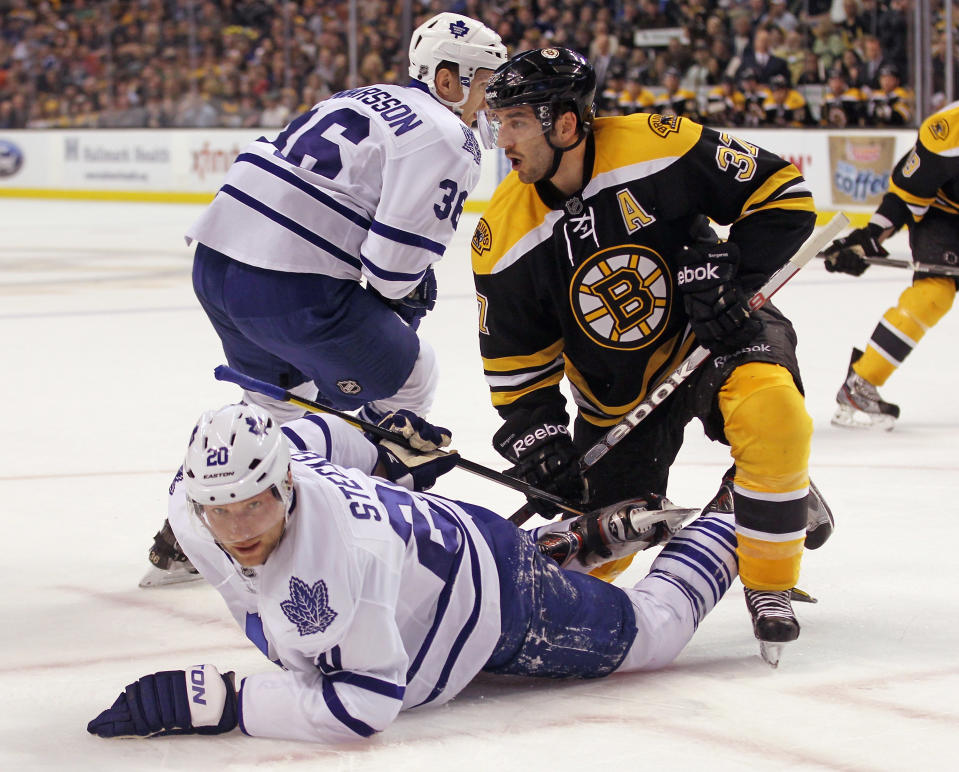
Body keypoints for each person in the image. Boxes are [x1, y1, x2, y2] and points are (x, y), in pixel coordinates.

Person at [87, 403, 739, 742]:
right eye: (218, 512)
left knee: (652, 633)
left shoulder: (337, 563)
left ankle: (740, 515)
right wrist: (379, 443)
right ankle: (565, 542)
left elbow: (362, 706)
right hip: (442, 536)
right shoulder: (197, 494)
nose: (237, 532)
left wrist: (224, 703)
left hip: (495, 605)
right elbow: (315, 437)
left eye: (253, 506)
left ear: (282, 488)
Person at [472, 47, 829, 665]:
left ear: (565, 123)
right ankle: (779, 492)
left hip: (711, 332)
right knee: (596, 554)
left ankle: (769, 580)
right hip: (615, 391)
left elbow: (783, 195)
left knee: (774, 418)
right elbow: (517, 363)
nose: (502, 138)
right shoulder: (501, 234)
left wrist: (728, 278)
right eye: (498, 121)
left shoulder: (660, 144)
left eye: (517, 122)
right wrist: (541, 440)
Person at [138, 12, 507, 588]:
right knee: (413, 376)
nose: (490, 99)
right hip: (290, 285)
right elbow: (391, 272)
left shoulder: (365, 95)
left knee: (278, 406)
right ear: (445, 79)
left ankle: (187, 532)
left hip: (214, 261)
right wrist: (409, 291)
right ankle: (380, 518)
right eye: (484, 82)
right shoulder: (448, 135)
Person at [823, 101, 959, 429]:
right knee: (933, 295)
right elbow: (904, 195)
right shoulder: (947, 132)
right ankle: (860, 384)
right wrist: (870, 237)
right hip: (943, 216)